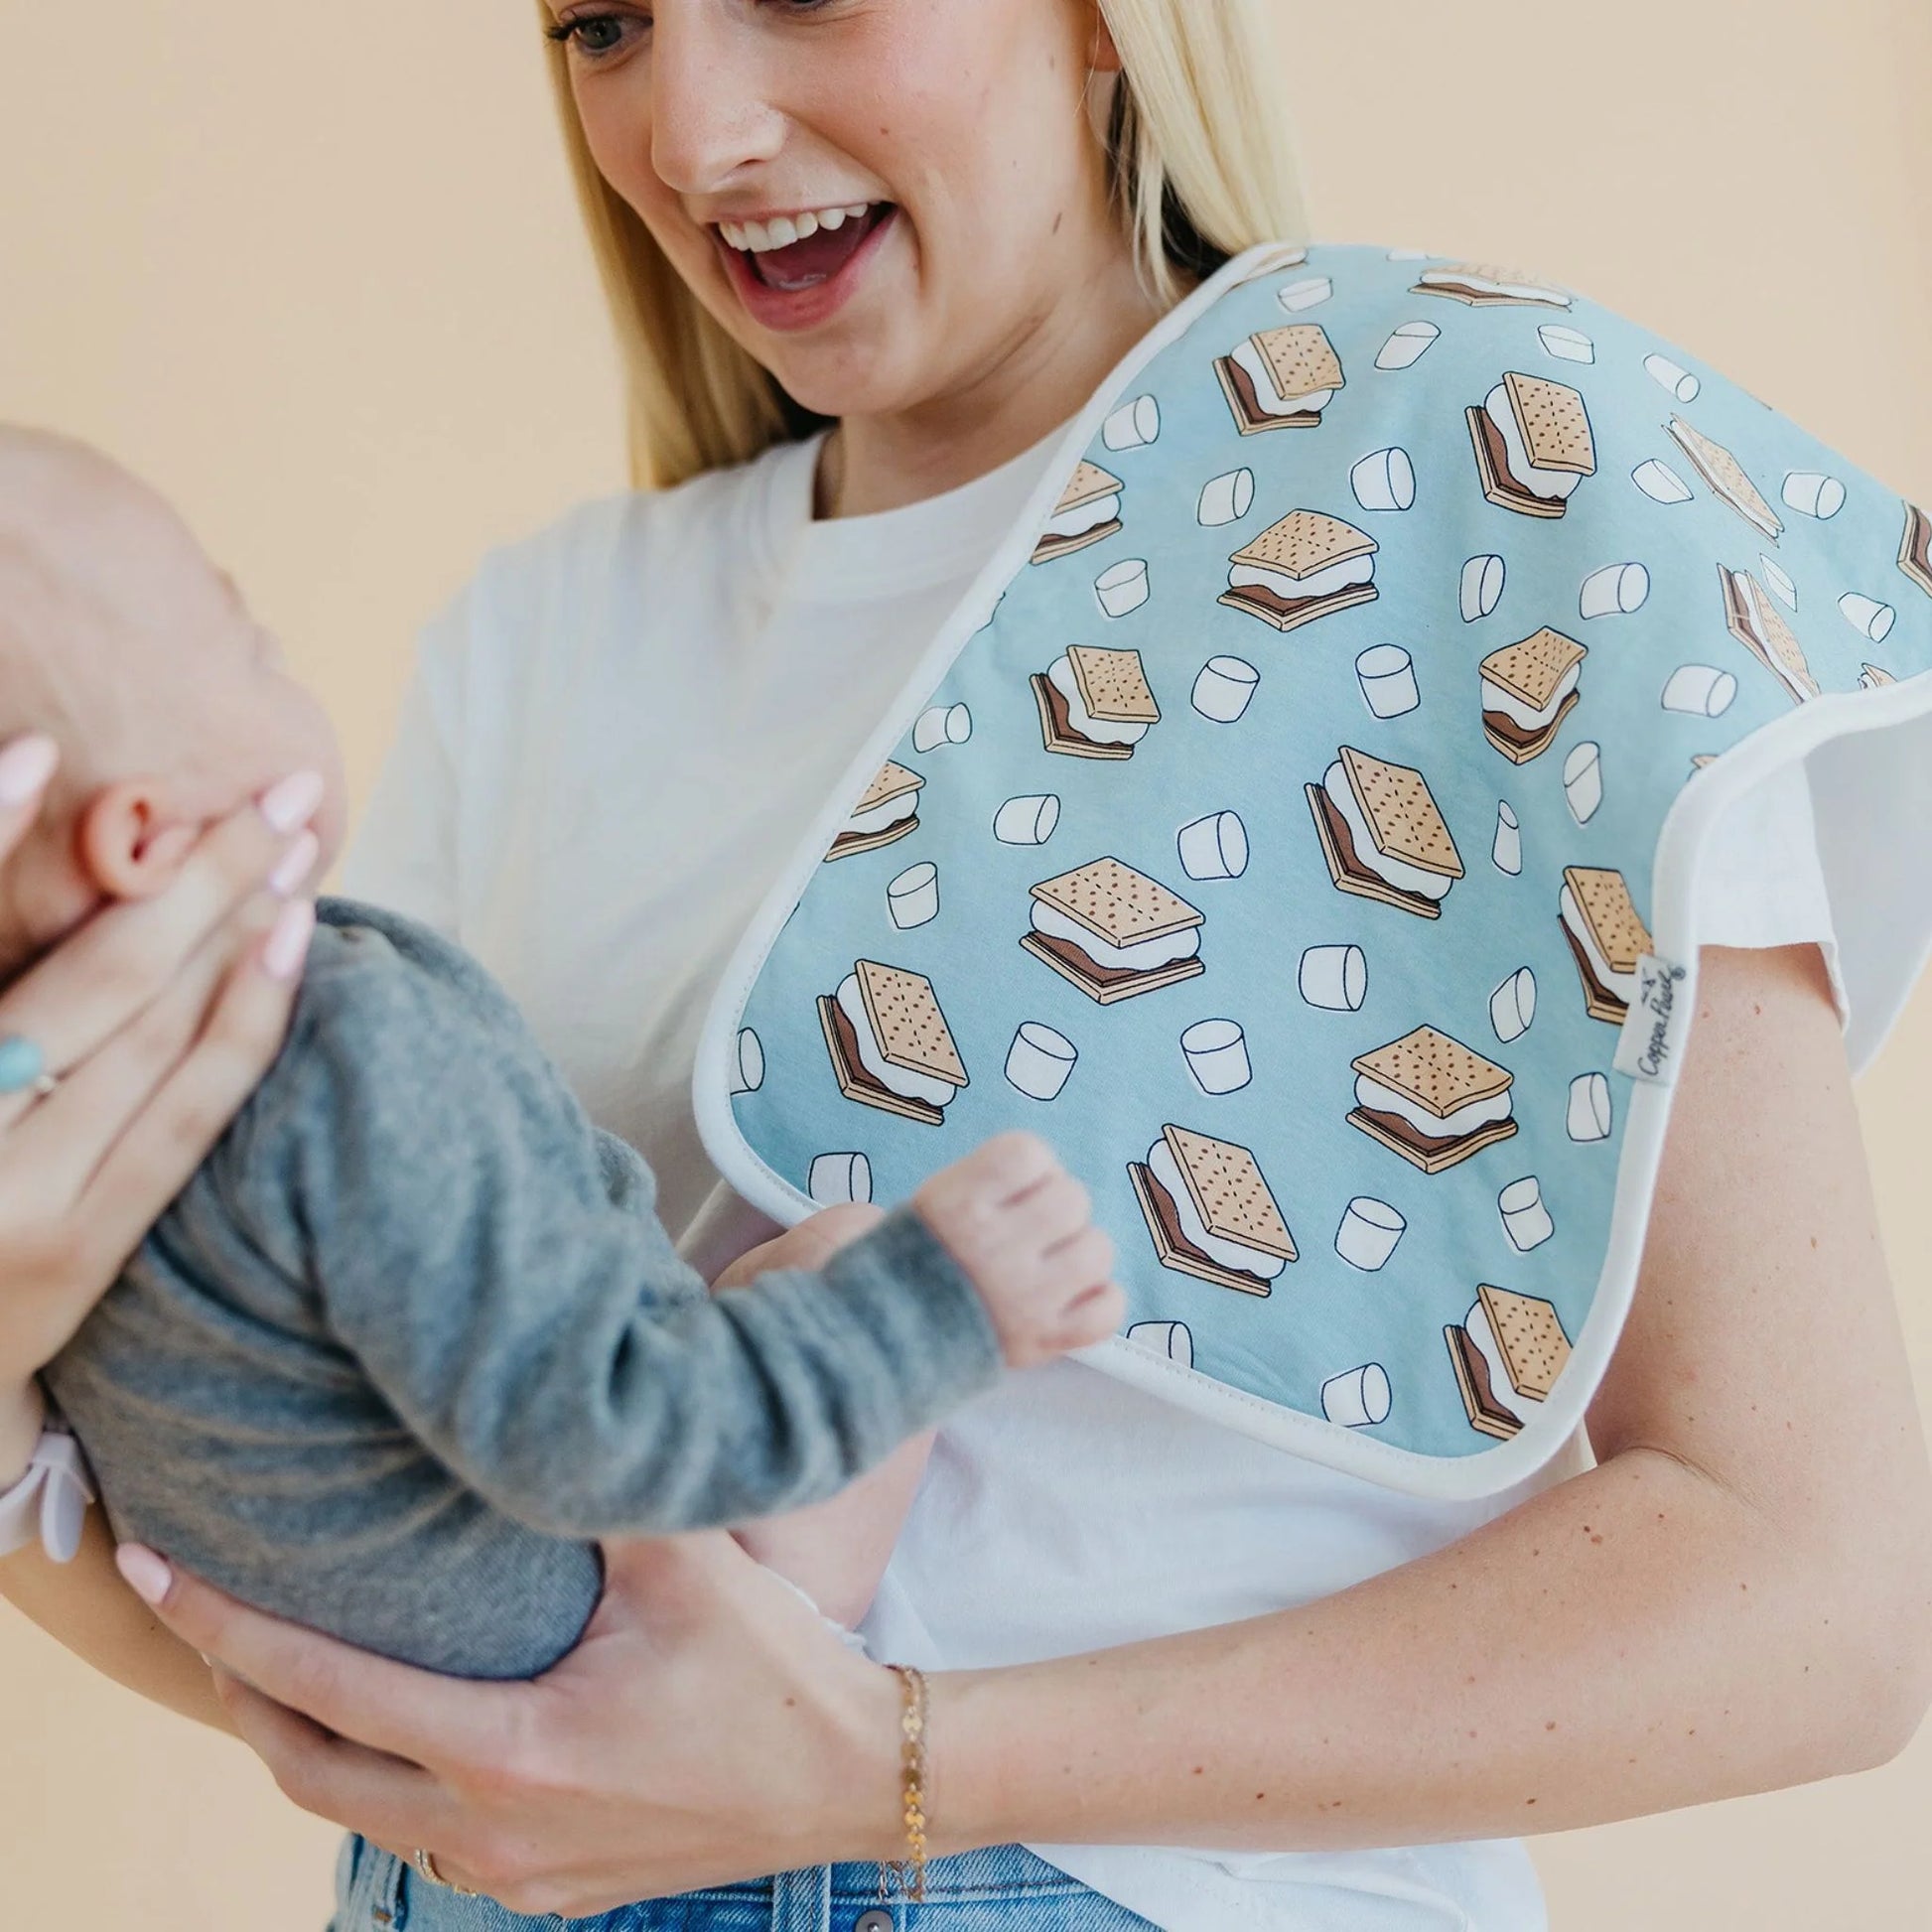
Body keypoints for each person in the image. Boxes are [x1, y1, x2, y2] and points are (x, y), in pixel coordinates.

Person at [4, 2, 1930, 1928]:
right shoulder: (545, 635)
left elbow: (1813, 1605)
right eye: (604, 25)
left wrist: (895, 1763)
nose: (689, 134)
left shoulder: (1495, 483)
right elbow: (294, 1550)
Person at [0, 425, 1120, 1681]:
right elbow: (604, 1425)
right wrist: (942, 1301)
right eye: (250, 646)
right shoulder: (343, 1054)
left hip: (332, 1651)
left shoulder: (52, 1131)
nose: (285, 671)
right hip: (596, 1624)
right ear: (143, 839)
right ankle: (796, 1621)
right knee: (841, 1256)